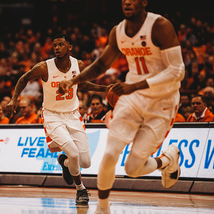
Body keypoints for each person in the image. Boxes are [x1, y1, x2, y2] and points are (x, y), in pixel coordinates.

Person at [59, 1, 185, 213]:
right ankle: (103, 208)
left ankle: (168, 159)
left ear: (143, 2)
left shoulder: (160, 26)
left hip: (162, 101)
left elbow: (177, 71)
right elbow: (101, 65)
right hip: (132, 97)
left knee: (133, 169)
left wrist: (133, 85)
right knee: (110, 153)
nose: (127, 1)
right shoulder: (118, 31)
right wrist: (73, 81)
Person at [6, 34, 111, 205]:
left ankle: (65, 162)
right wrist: (14, 99)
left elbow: (82, 84)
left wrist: (105, 88)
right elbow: (24, 78)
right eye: (55, 45)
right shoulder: (44, 67)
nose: (56, 48)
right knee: (74, 153)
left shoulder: (79, 65)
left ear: (69, 47)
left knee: (86, 161)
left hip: (73, 115)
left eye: (61, 45)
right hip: (52, 115)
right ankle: (81, 189)